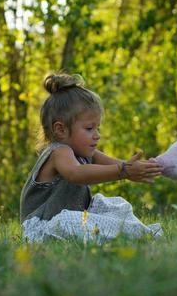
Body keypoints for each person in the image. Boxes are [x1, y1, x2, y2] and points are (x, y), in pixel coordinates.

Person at [20, 73, 163, 224]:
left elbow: (119, 164)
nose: (97, 135)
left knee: (114, 210)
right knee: (83, 221)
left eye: (98, 128)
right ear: (60, 130)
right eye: (89, 128)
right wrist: (124, 171)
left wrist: (136, 168)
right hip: (44, 225)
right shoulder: (59, 152)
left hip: (68, 221)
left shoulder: (85, 153)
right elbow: (76, 174)